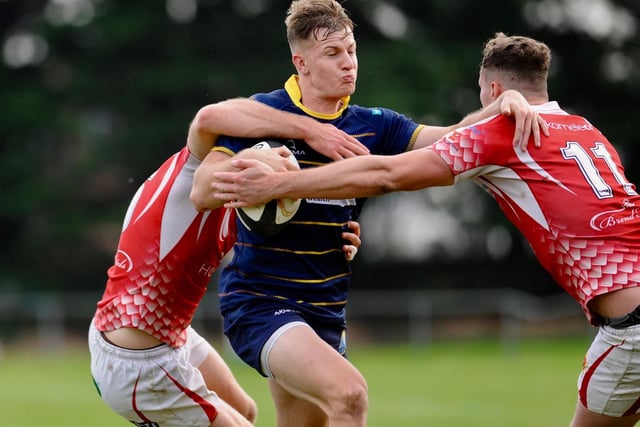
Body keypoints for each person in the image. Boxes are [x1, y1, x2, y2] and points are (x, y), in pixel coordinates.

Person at [209, 32, 640, 427]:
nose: (348, 63)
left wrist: (277, 185)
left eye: (351, 51)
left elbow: (387, 175)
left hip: (631, 324)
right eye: (334, 53)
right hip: (266, 300)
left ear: (492, 89)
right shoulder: (587, 132)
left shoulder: (502, 132)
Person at [88, 97, 365, 427]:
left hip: (167, 339)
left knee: (245, 410)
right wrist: (311, 129)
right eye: (268, 153)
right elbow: (208, 117)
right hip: (137, 363)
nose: (278, 160)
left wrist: (336, 238)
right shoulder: (194, 170)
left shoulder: (235, 208)